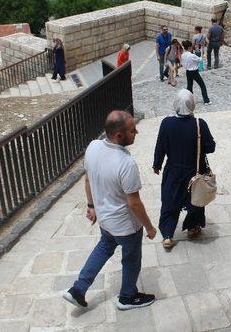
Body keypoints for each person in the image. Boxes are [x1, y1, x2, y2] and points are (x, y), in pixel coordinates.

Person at [64, 110, 157, 311]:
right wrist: (149, 227)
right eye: (133, 130)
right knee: (131, 260)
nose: (137, 133)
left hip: (106, 221)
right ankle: (127, 297)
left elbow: (88, 179)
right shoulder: (126, 163)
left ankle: (78, 289)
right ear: (119, 136)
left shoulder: (93, 147)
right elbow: (134, 203)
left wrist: (91, 206)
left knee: (103, 249)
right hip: (126, 226)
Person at [153, 90, 216, 249]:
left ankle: (167, 235)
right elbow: (211, 147)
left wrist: (157, 164)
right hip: (194, 171)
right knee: (195, 200)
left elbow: (160, 146)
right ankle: (192, 227)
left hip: (173, 170)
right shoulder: (199, 124)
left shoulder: (166, 123)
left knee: (169, 201)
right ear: (192, 104)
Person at [181, 40, 210, 105]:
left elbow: (183, 64)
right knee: (202, 85)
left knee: (189, 87)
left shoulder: (183, 55)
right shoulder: (192, 55)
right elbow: (200, 59)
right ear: (189, 47)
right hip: (194, 72)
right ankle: (206, 100)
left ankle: (189, 101)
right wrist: (202, 52)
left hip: (188, 72)